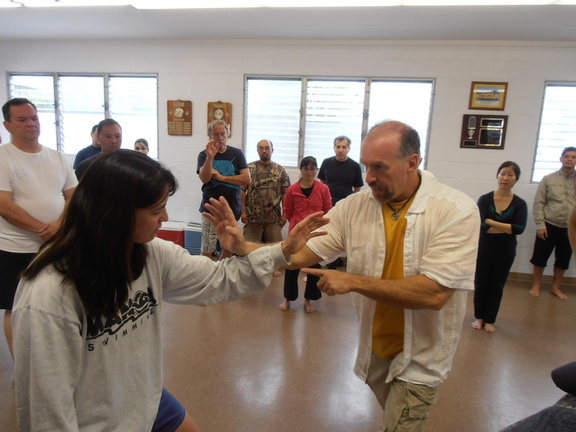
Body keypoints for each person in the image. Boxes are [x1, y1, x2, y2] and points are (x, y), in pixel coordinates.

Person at [12, 149, 328, 432]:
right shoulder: (48, 294)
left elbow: (218, 280)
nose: (165, 218)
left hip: (143, 396)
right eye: (155, 211)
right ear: (113, 214)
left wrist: (270, 249)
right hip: (97, 418)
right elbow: (46, 413)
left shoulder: (150, 253)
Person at [284, 121, 480, 430]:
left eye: (380, 167)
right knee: (391, 414)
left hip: (420, 358)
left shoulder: (455, 210)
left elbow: (434, 294)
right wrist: (247, 249)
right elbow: (300, 254)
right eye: (365, 167)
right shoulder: (354, 207)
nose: (369, 177)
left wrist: (353, 281)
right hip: (377, 349)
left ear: (412, 162)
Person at [0, 97, 77, 359]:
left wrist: (59, 226)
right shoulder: (3, 157)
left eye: (34, 118)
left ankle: (59, 357)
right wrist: (42, 228)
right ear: (8, 125)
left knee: (62, 300)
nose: (31, 124)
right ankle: (22, 365)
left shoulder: (56, 157)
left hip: (58, 244)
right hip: (16, 247)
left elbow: (73, 196)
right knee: (16, 307)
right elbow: (4, 205)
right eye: (22, 120)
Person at [471, 161, 527, 333]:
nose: (505, 178)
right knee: (481, 283)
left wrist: (491, 222)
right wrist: (505, 227)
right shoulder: (485, 199)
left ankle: (489, 319)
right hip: (484, 247)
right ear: (497, 176)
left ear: (516, 179)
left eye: (510, 175)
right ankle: (479, 317)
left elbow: (519, 229)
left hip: (506, 250)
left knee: (497, 284)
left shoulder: (519, 203)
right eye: (503, 173)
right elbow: (480, 225)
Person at [279, 156, 332, 313]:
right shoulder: (292, 190)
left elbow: (328, 209)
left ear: (316, 171)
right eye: (306, 168)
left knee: (313, 267)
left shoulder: (323, 189)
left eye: (312, 168)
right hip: (297, 232)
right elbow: (288, 211)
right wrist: (297, 224)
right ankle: (288, 298)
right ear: (301, 170)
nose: (309, 172)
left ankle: (308, 299)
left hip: (316, 233)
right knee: (291, 265)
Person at [197, 119, 250, 260]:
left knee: (228, 247)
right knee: (207, 249)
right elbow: (205, 178)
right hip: (211, 210)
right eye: (216, 134)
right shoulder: (204, 155)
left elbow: (246, 179)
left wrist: (222, 178)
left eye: (223, 134)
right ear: (210, 136)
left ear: (228, 134)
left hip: (232, 210)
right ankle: (205, 279)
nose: (220, 138)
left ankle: (222, 277)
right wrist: (210, 157)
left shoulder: (237, 154)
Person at [529, 146, 576, 300]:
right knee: (540, 258)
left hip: (570, 228)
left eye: (573, 157)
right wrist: (540, 225)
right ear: (561, 159)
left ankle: (555, 288)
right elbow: (539, 203)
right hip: (549, 225)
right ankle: (536, 285)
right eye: (567, 156)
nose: (570, 159)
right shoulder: (548, 179)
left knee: (563, 259)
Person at [318, 135, 364, 269]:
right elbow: (322, 183)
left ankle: (332, 269)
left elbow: (357, 189)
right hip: (327, 207)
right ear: (334, 148)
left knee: (340, 238)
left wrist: (352, 206)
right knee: (324, 237)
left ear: (349, 149)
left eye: (344, 147)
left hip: (345, 208)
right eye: (338, 147)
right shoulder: (327, 162)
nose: (341, 150)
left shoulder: (355, 166)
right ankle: (317, 269)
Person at [241, 139, 290, 243]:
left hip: (273, 218)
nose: (264, 151)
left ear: (272, 150)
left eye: (267, 148)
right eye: (261, 148)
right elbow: (241, 191)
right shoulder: (249, 169)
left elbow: (285, 193)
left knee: (275, 252)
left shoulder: (281, 170)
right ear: (257, 150)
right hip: (252, 218)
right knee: (249, 252)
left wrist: (285, 214)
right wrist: (243, 211)